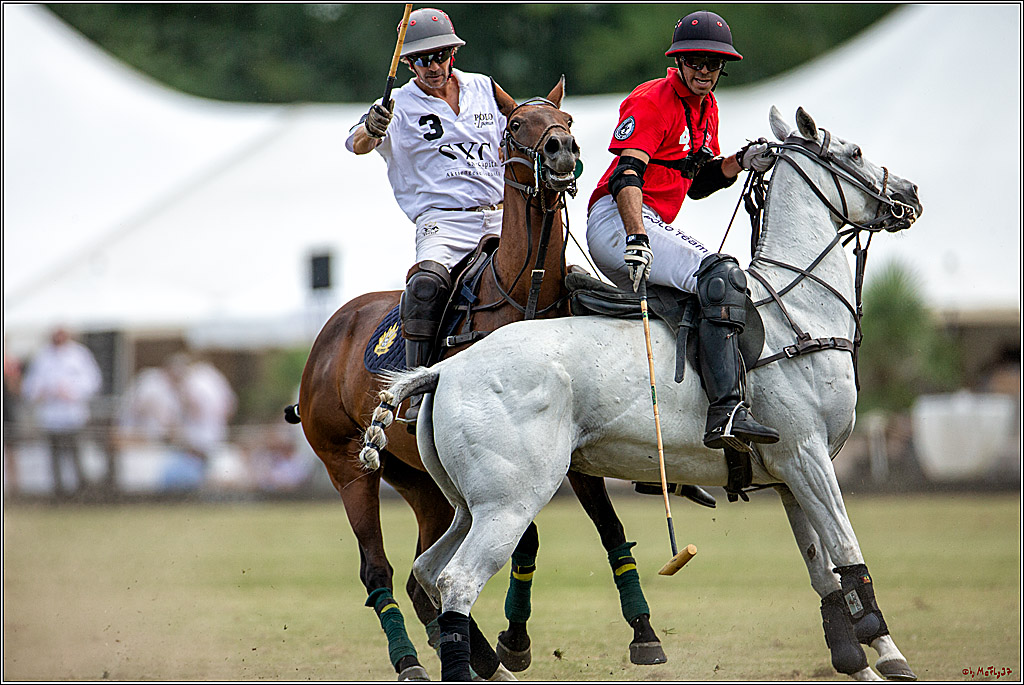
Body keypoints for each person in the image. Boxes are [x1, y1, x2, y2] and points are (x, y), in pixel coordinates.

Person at [585, 10, 780, 450]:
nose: (705, 71)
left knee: (705, 295)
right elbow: (626, 175)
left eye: (713, 63)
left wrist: (740, 161)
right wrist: (636, 236)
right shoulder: (654, 99)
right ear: (680, 62)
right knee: (721, 276)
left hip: (644, 223)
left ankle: (681, 423)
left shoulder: (707, 108)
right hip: (618, 220)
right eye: (695, 62)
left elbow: (700, 181)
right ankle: (727, 411)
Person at [345, 7, 508, 405]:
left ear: (453, 54)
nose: (432, 65)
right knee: (424, 286)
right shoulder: (396, 105)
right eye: (420, 59)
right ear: (407, 63)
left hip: (502, 215)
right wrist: (373, 126)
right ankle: (417, 394)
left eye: (439, 56)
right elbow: (355, 144)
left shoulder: (485, 87)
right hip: (444, 224)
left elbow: (522, 125)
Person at [21, 327, 103, 498]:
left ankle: (82, 494)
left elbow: (93, 381)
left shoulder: (79, 354)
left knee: (76, 456)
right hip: (50, 417)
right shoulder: (42, 356)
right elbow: (30, 387)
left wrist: (72, 392)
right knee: (54, 458)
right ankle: (59, 495)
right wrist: (44, 392)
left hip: (73, 416)